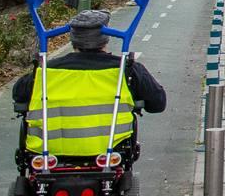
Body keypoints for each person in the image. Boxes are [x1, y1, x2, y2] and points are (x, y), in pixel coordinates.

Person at [13, 10, 166, 157]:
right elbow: (158, 103)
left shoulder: (46, 71)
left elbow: (18, 95)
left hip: (49, 153)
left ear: (73, 40)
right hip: (111, 152)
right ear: (106, 39)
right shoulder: (126, 70)